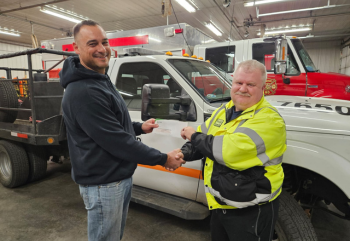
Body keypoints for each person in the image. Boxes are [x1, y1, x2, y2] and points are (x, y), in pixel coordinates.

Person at [59, 20, 185, 241]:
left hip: (115, 178)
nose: (101, 48)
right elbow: (117, 140)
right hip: (104, 184)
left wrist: (139, 127)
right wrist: (163, 158)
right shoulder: (85, 90)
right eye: (92, 43)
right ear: (76, 48)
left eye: (104, 42)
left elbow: (111, 123)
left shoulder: (99, 79)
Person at [180, 60, 287, 241]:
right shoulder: (224, 110)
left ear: (262, 88)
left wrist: (193, 136)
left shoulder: (269, 120)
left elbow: (228, 151)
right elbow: (204, 135)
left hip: (251, 210)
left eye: (250, 84)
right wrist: (183, 153)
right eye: (239, 83)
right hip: (219, 205)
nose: (242, 89)